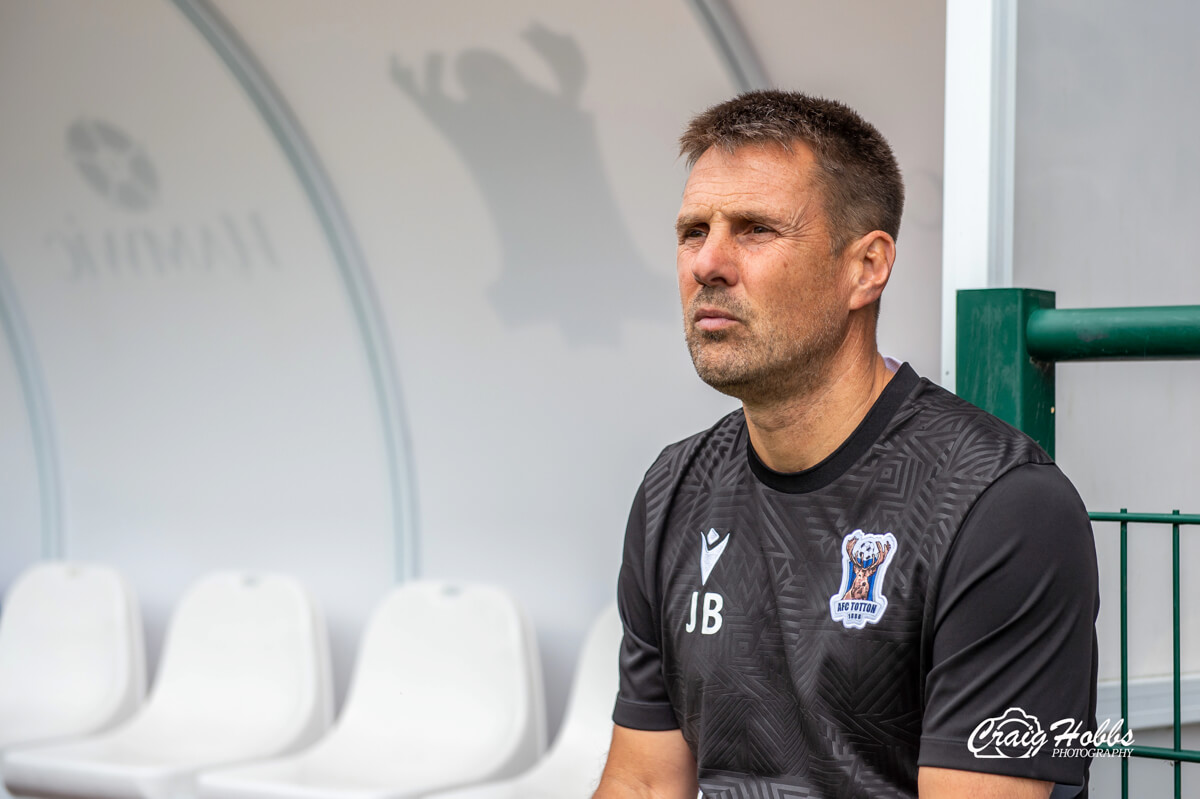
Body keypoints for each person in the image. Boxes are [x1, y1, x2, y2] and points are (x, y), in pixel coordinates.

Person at [593, 91, 1099, 799]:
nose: (708, 261)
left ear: (866, 267)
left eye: (756, 229)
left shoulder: (1002, 507)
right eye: (692, 230)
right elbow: (643, 784)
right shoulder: (673, 490)